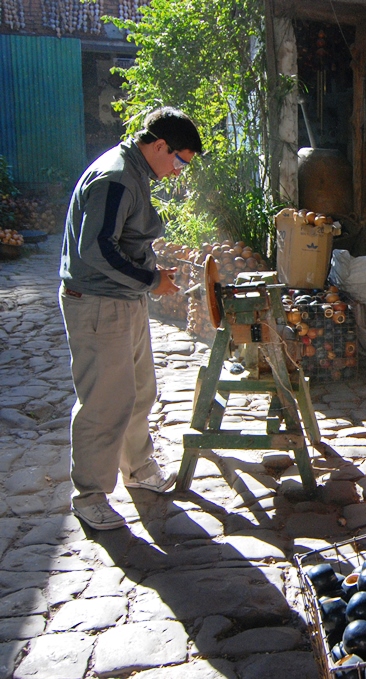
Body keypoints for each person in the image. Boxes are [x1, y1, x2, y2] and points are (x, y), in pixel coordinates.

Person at [59, 107, 203, 530]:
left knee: (139, 390)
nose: (178, 172)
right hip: (99, 303)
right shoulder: (116, 177)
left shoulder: (136, 172)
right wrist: (148, 279)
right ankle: (90, 495)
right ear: (160, 145)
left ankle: (138, 469)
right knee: (105, 401)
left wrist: (150, 278)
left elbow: (124, 239)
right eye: (179, 161)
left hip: (124, 301)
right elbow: (96, 250)